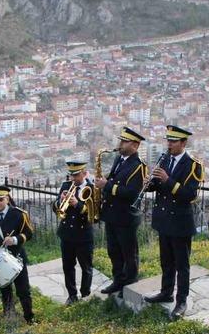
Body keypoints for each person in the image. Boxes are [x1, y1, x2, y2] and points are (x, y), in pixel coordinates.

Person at [142, 125, 204, 320]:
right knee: (166, 261)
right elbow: (159, 186)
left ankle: (181, 300)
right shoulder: (165, 159)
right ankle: (166, 292)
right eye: (168, 140)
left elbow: (189, 194)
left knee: (181, 265)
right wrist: (149, 184)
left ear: (183, 143)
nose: (169, 144)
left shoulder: (193, 165)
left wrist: (167, 179)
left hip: (180, 222)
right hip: (164, 219)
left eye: (173, 141)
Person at [95, 127, 147, 296]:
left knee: (128, 254)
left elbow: (132, 194)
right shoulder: (119, 159)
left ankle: (130, 284)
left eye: (125, 141)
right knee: (114, 251)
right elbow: (112, 179)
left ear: (135, 145)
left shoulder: (138, 167)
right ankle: (118, 281)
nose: (120, 144)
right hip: (112, 215)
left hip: (125, 217)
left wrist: (107, 185)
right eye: (121, 140)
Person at [0, 185, 36, 324]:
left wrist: (15, 239)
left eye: (1, 199)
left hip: (16, 257)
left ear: (7, 199)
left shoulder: (18, 214)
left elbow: (29, 233)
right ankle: (9, 315)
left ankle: (29, 318)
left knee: (23, 290)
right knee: (5, 289)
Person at [52, 160, 95, 304]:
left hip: (84, 235)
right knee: (68, 267)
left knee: (86, 267)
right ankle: (72, 295)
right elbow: (56, 206)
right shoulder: (66, 186)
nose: (73, 179)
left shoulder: (91, 188)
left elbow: (93, 213)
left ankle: (85, 294)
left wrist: (77, 204)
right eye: (71, 175)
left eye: (76, 175)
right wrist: (60, 201)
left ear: (83, 173)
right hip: (66, 234)